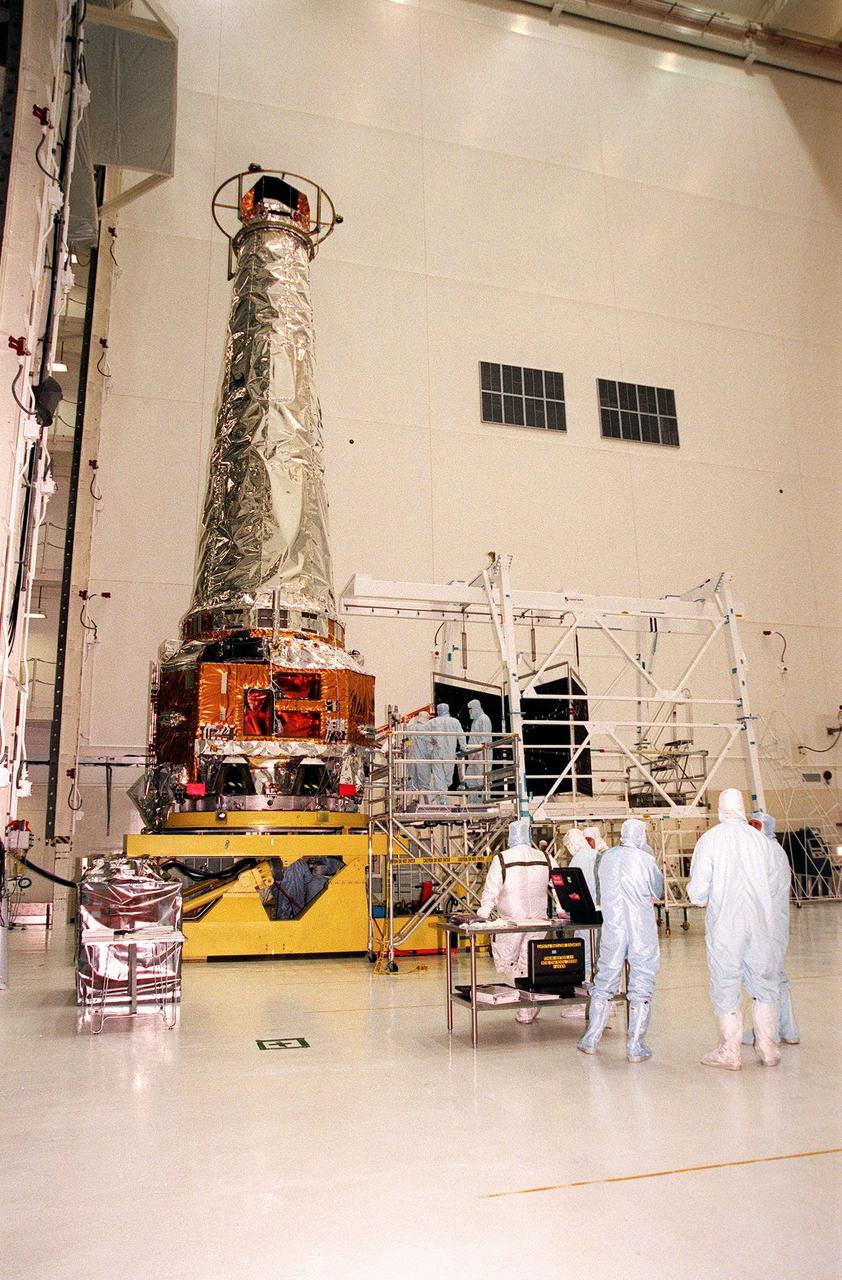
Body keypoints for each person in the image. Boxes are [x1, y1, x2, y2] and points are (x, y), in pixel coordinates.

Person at [687, 788, 781, 1070]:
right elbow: (774, 886)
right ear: (742, 808)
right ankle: (767, 1047)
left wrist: (703, 897)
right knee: (764, 983)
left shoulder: (710, 840)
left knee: (726, 981)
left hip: (726, 925)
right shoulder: (760, 841)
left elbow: (698, 893)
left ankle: (730, 1051)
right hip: (760, 924)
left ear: (720, 809)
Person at [577, 818, 663, 1063]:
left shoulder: (607, 858)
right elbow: (657, 891)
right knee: (642, 982)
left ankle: (591, 1039)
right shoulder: (646, 860)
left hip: (613, 928)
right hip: (640, 929)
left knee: (604, 980)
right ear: (641, 835)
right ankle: (636, 1045)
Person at [476, 818, 552, 1024]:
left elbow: (491, 890)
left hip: (512, 923)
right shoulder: (545, 857)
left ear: (511, 836)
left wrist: (481, 916)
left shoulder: (502, 858)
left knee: (509, 964)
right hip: (539, 922)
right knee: (530, 964)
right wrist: (563, 911)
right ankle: (530, 1004)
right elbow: (558, 885)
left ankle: (527, 1007)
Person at [746, 811, 800, 1046]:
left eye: (756, 825)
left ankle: (769, 1031)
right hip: (775, 923)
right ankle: (789, 1029)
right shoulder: (775, 851)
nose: (751, 829)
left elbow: (758, 891)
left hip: (768, 925)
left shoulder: (767, 852)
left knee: (766, 976)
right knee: (778, 975)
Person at [427, 702, 467, 801]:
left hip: (437, 752)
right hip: (450, 752)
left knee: (439, 776)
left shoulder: (432, 722)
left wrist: (429, 743)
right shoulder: (455, 722)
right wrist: (463, 748)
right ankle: (442, 798)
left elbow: (422, 734)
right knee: (447, 777)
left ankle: (437, 796)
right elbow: (461, 736)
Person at [463, 698, 492, 794]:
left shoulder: (484, 719)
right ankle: (472, 803)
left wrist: (478, 753)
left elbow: (485, 738)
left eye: (470, 709)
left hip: (480, 756)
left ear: (475, 708)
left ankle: (484, 801)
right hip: (474, 755)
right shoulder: (475, 721)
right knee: (471, 779)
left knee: (482, 779)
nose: (469, 711)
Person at [404, 710, 433, 798]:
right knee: (424, 785)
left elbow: (405, 742)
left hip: (411, 759)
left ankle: (406, 806)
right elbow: (430, 748)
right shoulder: (427, 730)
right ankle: (423, 807)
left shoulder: (409, 728)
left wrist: (410, 749)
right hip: (423, 760)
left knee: (411, 784)